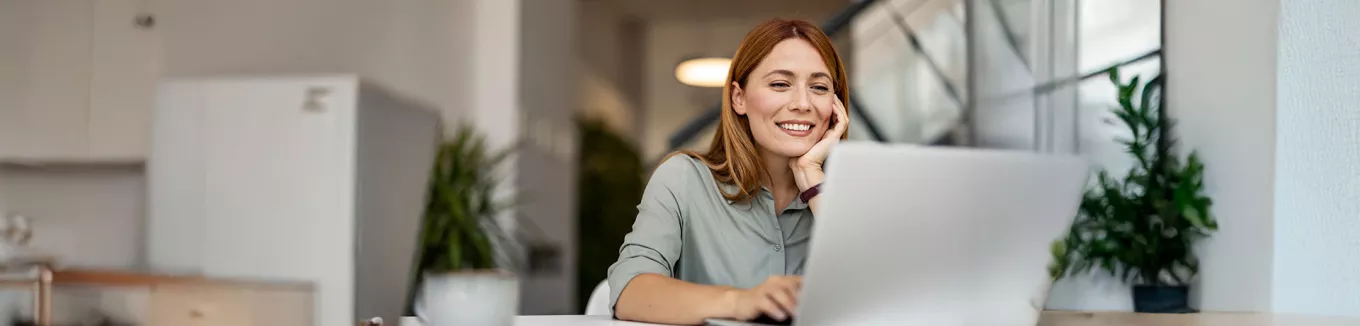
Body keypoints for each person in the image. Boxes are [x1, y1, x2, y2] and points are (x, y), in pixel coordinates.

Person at [607, 18, 850, 325]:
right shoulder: (683, 179)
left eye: (819, 87)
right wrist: (741, 301)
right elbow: (630, 291)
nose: (803, 103)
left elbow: (886, 301)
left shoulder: (850, 195)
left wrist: (814, 181)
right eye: (780, 84)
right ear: (739, 98)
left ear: (835, 105)